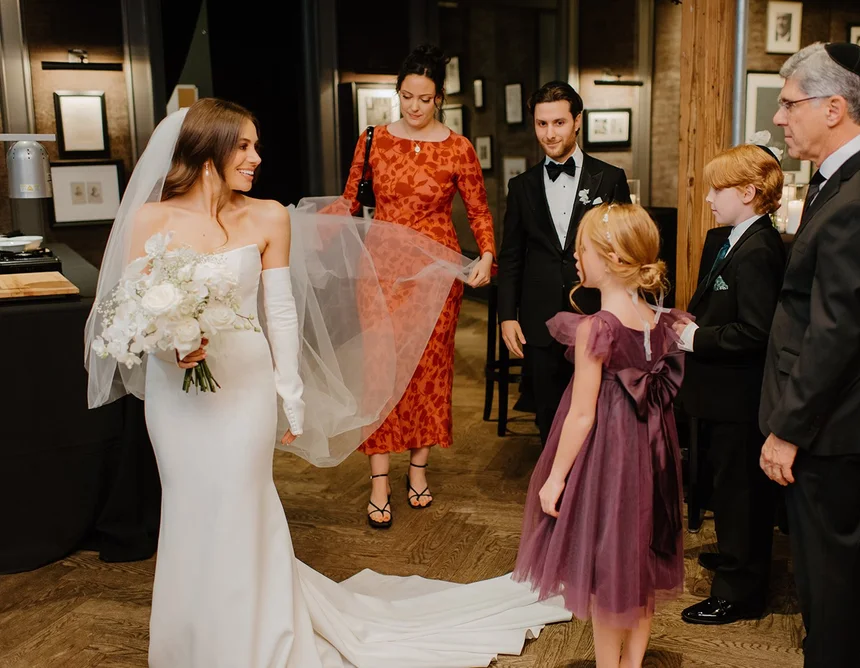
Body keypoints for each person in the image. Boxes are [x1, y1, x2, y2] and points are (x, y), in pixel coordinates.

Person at [84, 98, 570, 668]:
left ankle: (258, 640)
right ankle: (194, 643)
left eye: (255, 145)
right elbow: (132, 311)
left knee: (242, 504)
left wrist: (289, 394)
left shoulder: (267, 216)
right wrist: (173, 344)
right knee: (189, 509)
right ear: (207, 152)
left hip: (244, 389)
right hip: (175, 398)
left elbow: (281, 311)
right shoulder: (149, 220)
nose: (256, 158)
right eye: (243, 145)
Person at [759, 43, 860, 668]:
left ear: (833, 108)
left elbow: (836, 333)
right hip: (840, 405)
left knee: (822, 568)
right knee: (843, 547)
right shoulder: (858, 174)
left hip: (833, 415)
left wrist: (787, 431)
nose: (780, 118)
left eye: (789, 103)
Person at [327, 45, 495, 528]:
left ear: (439, 97)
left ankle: (417, 469)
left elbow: (479, 211)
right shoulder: (373, 138)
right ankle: (380, 480)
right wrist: (299, 226)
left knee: (429, 370)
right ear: (397, 94)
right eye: (406, 96)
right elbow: (348, 201)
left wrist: (486, 254)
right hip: (379, 269)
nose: (414, 107)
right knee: (380, 370)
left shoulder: (459, 148)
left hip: (437, 273)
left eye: (424, 98)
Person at [514, 203, 686, 668]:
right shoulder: (658, 321)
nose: (575, 256)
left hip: (611, 453)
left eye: (582, 248)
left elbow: (581, 417)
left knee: (611, 566)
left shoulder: (597, 329)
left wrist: (555, 478)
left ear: (609, 256)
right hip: (653, 454)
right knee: (641, 563)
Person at [674, 139, 786, 625]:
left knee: (742, 490)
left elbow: (758, 332)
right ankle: (737, 556)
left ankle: (740, 591)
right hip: (719, 390)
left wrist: (697, 339)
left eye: (717, 188)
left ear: (748, 191)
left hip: (742, 393)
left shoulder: (760, 248)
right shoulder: (727, 238)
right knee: (727, 482)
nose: (709, 198)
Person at [497, 81, 631, 443]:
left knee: (598, 407)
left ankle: (589, 489)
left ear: (577, 122)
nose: (550, 133)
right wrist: (507, 315)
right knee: (547, 411)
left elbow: (626, 249)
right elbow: (510, 256)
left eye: (558, 123)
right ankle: (554, 485)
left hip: (594, 312)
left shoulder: (609, 179)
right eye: (542, 124)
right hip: (538, 317)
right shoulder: (521, 186)